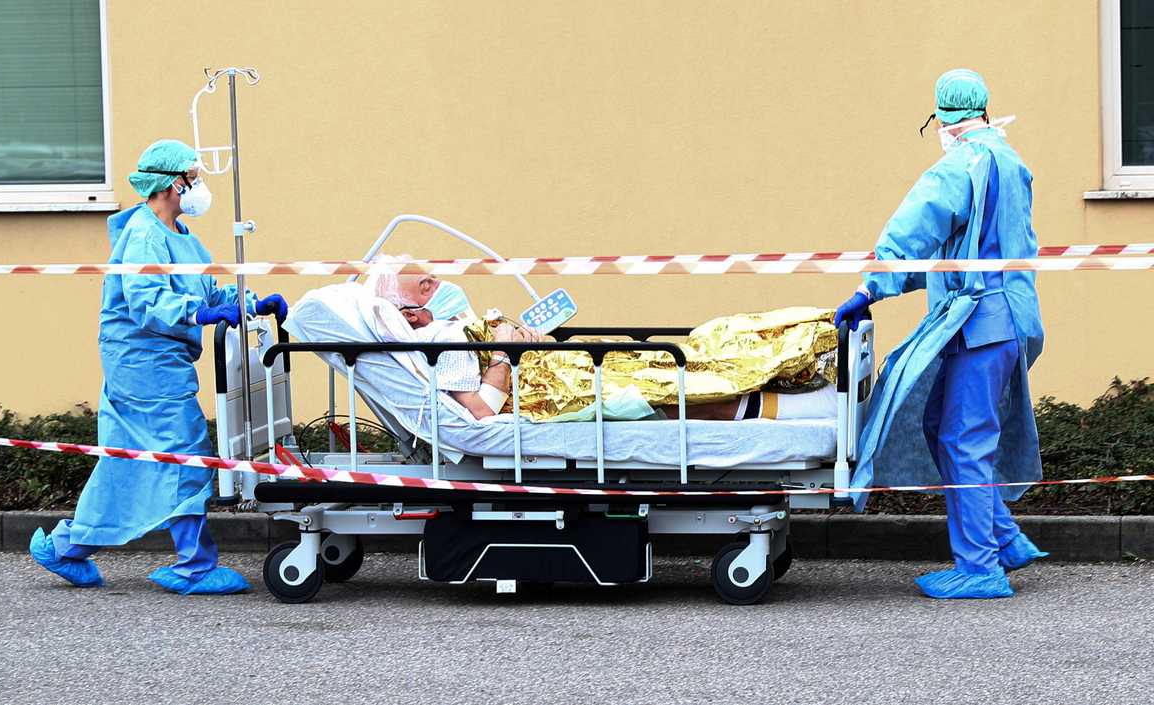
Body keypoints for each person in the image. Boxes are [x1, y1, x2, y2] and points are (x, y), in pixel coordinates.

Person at [29, 139, 289, 595]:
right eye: (194, 176)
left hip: (156, 361)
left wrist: (249, 303)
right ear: (173, 183)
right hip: (144, 362)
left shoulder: (181, 236)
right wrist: (201, 314)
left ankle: (66, 547)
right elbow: (147, 301)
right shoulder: (144, 236)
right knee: (185, 454)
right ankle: (195, 566)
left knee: (128, 463)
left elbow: (206, 292)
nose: (200, 186)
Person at [834, 69, 1047, 600]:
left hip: (980, 322)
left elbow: (914, 231)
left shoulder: (961, 165)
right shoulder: (1009, 160)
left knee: (965, 440)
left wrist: (870, 288)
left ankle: (980, 568)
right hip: (1006, 318)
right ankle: (1004, 538)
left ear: (943, 117)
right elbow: (984, 249)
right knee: (941, 426)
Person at [366, 264, 838, 422]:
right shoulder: (443, 342)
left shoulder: (460, 326)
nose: (437, 282)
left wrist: (524, 340)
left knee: (704, 346)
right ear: (408, 313)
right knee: (671, 386)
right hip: (557, 390)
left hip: (563, 365)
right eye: (424, 284)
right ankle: (809, 407)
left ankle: (812, 348)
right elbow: (482, 412)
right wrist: (507, 353)